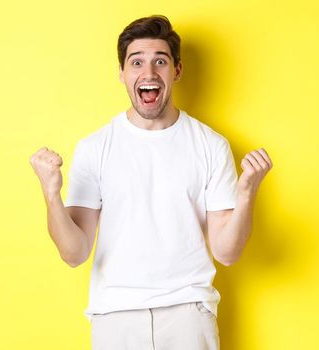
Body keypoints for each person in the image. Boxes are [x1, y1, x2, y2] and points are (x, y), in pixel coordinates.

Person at [28, 15, 272, 349]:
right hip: (116, 317)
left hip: (189, 314)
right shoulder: (95, 148)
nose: (149, 73)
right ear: (122, 74)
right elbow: (74, 253)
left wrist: (246, 194)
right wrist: (51, 195)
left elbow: (227, 253)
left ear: (177, 71)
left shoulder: (211, 145)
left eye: (160, 61)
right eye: (137, 62)